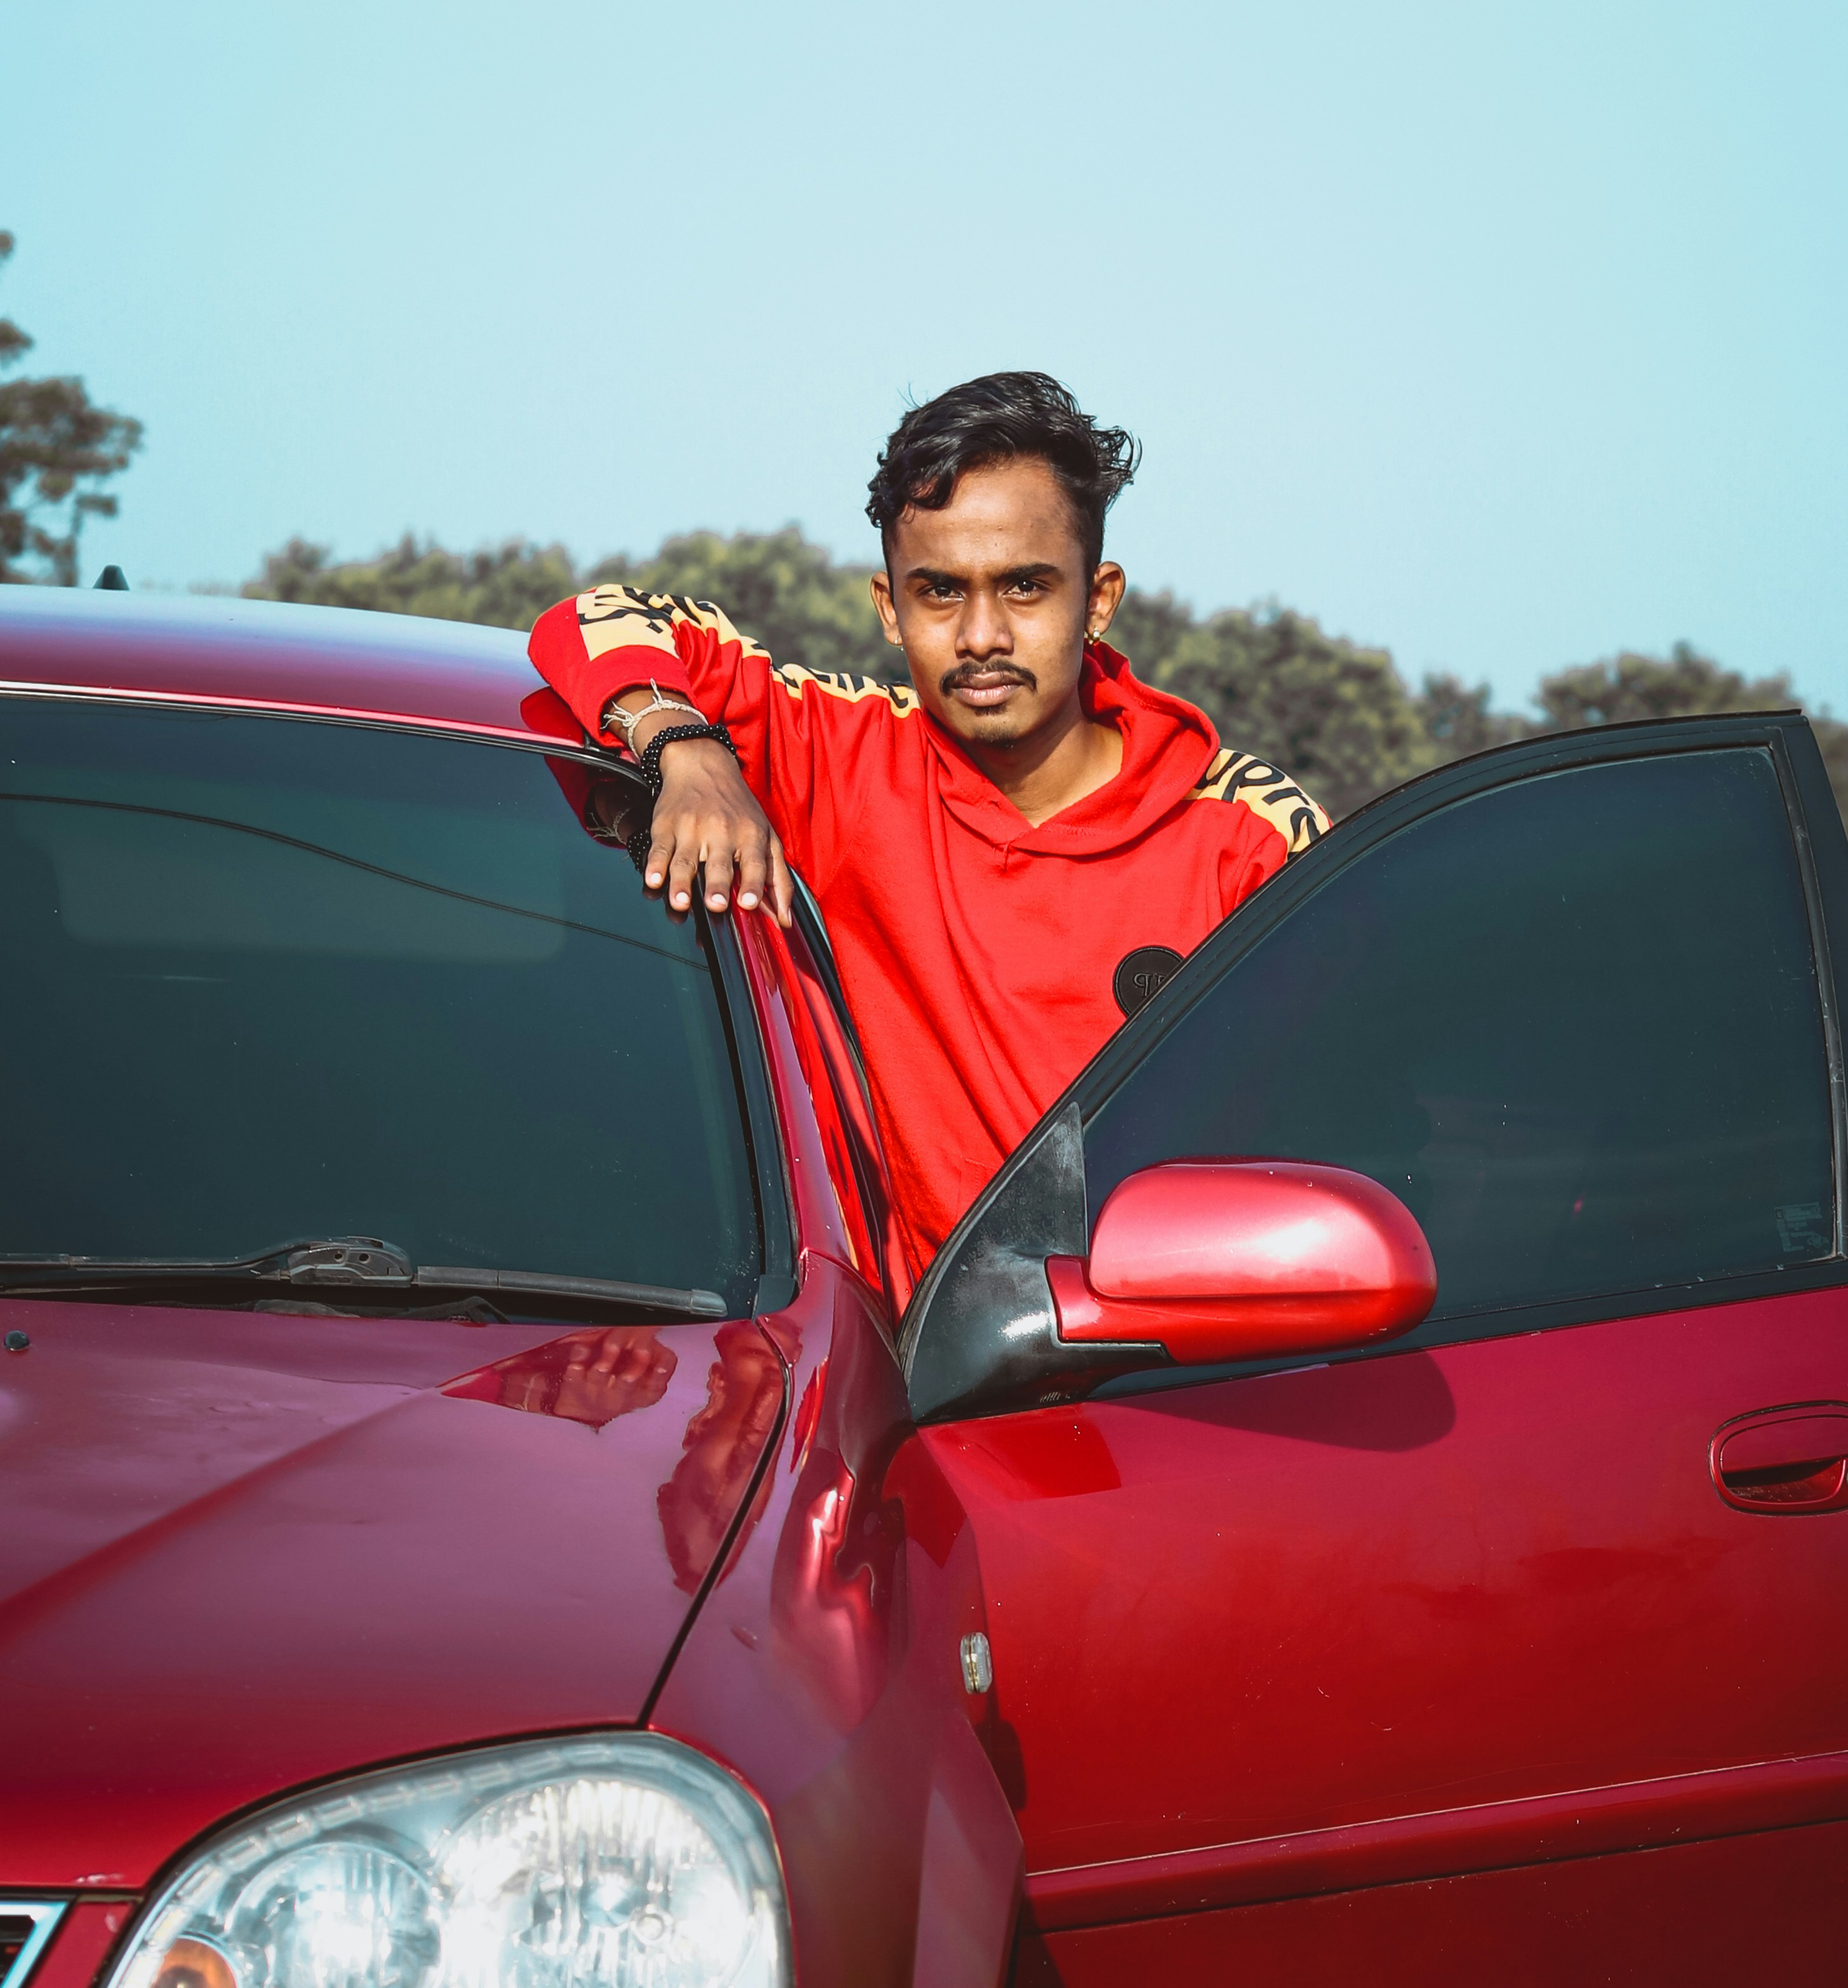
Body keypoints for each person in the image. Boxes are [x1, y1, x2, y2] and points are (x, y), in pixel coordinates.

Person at [529, 372, 1326, 1282]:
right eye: (940, 591)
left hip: (1172, 1370)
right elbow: (588, 618)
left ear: (1097, 598)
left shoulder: (1249, 836)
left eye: (1025, 587)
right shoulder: (841, 755)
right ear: (887, 606)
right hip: (916, 1381)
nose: (981, 634)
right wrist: (685, 747)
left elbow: (1341, 1134)